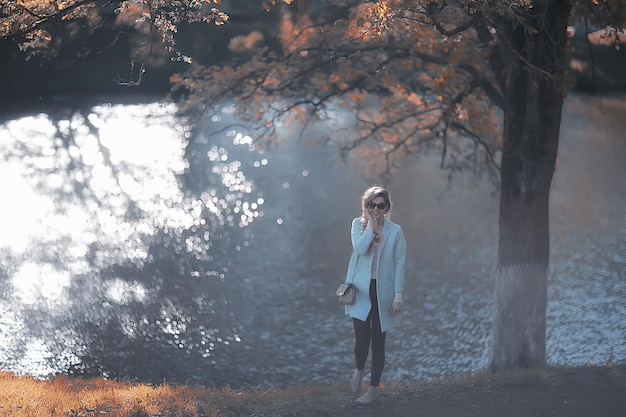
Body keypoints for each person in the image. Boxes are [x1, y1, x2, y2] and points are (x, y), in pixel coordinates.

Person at [344, 185, 407, 405]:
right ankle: (359, 370)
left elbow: (399, 264)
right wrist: (370, 226)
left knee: (378, 343)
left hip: (384, 293)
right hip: (360, 292)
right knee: (362, 341)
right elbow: (360, 249)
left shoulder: (395, 231)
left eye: (381, 205)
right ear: (366, 205)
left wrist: (398, 296)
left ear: (387, 207)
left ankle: (372, 389)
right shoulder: (357, 225)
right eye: (372, 204)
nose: (376, 209)